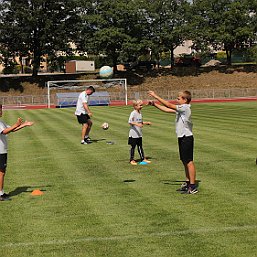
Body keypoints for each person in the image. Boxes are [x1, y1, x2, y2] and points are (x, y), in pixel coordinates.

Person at [148, 90, 198, 194]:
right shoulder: (181, 109)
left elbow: (168, 105)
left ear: (185, 100)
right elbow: (166, 109)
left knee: (189, 162)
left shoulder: (185, 108)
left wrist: (155, 96)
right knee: (184, 161)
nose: (177, 99)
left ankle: (192, 186)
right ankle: (188, 183)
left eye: (178, 98)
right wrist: (154, 104)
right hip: (182, 137)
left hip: (186, 137)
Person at [0, 104, 34, 201]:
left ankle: (1, 192)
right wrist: (17, 124)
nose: (1, 111)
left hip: (2, 151)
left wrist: (24, 125)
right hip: (0, 152)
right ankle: (0, 195)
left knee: (2, 172)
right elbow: (5, 131)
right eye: (0, 110)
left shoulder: (1, 122)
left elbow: (12, 129)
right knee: (1, 172)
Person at [128, 99, 152, 165]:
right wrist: (137, 124)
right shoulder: (133, 113)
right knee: (133, 147)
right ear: (135, 106)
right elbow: (130, 121)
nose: (142, 106)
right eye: (140, 105)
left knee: (140, 146)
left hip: (139, 134)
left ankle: (143, 158)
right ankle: (131, 160)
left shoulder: (140, 113)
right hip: (133, 134)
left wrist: (146, 123)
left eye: (142, 105)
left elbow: (140, 122)